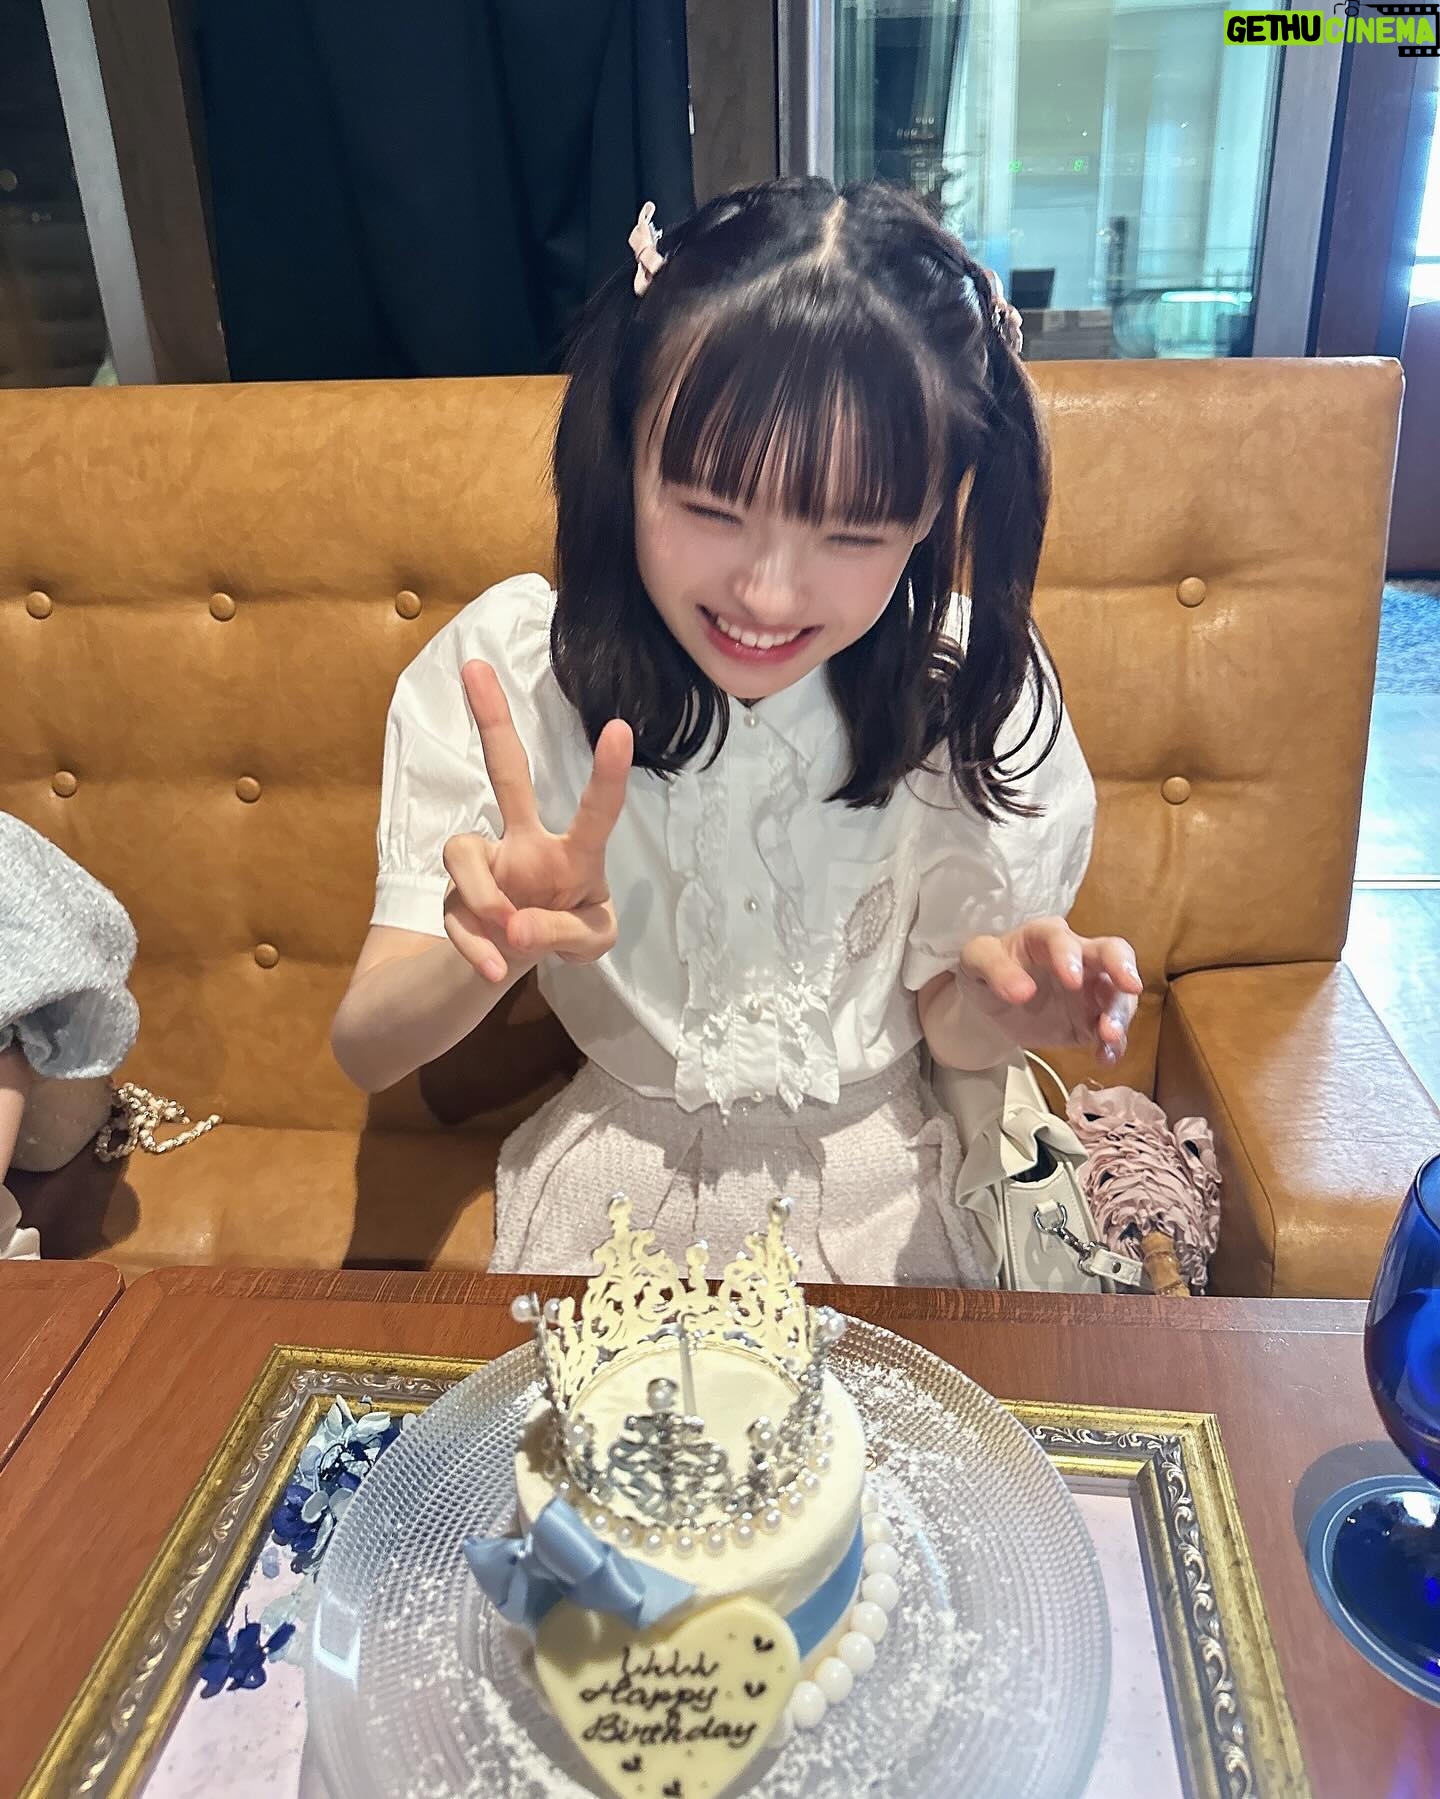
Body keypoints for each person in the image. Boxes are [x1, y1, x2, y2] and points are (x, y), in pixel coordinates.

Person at [332, 177, 1141, 1284]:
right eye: (711, 508)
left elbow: (946, 1027)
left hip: (887, 1183)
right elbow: (366, 1046)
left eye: (850, 533)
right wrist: (494, 949)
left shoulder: (964, 685)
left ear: (929, 510)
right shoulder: (513, 674)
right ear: (626, 449)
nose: (766, 594)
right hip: (615, 1185)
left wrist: (1012, 1011)